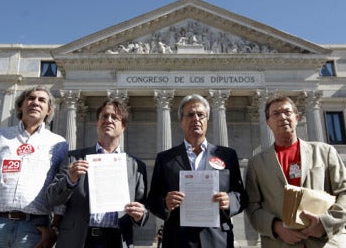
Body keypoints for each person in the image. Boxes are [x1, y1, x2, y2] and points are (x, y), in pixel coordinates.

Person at [147, 94, 247, 248]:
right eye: (190, 115)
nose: (196, 119)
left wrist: (229, 201)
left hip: (217, 239)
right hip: (178, 240)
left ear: (207, 120)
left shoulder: (227, 155)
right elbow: (152, 200)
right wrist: (165, 203)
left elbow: (241, 195)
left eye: (201, 115)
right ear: (181, 121)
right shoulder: (165, 158)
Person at [245, 95, 346, 247]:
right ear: (268, 122)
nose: (283, 117)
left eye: (287, 112)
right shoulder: (256, 163)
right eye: (276, 114)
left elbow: (344, 192)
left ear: (297, 117)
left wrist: (325, 223)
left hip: (325, 242)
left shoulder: (325, 152)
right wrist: (276, 227)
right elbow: (252, 205)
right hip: (280, 243)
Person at [46, 97, 148, 248]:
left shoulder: (136, 166)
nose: (108, 120)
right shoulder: (73, 158)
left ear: (123, 126)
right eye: (104, 116)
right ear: (97, 123)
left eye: (115, 117)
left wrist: (140, 215)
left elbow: (142, 206)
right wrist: (69, 180)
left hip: (117, 240)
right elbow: (52, 198)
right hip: (79, 239)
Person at [0, 85, 68, 247]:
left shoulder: (58, 143)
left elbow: (60, 190)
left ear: (49, 110)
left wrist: (54, 229)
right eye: (31, 98)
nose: (35, 103)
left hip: (33, 228)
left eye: (42, 100)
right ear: (21, 105)